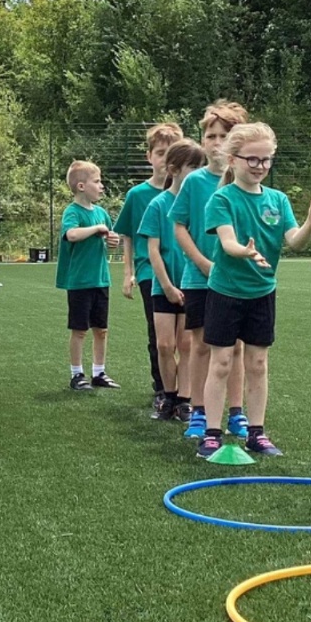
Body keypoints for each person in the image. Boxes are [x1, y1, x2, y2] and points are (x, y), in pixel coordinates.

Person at [196, 123, 311, 460]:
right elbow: (227, 243)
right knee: (221, 362)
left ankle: (256, 433)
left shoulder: (278, 200)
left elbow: (295, 242)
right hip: (226, 291)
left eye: (266, 159)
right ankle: (211, 434)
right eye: (252, 159)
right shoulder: (222, 199)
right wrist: (245, 251)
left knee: (257, 362)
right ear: (233, 159)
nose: (260, 166)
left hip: (262, 292)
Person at [172, 101, 251, 440]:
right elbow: (179, 227)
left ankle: (236, 412)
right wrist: (202, 263)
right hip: (199, 279)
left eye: (224, 135)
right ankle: (199, 412)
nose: (217, 142)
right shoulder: (194, 182)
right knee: (201, 345)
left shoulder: (246, 182)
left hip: (236, 281)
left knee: (236, 347)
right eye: (211, 136)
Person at [116, 123, 183, 415]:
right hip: (149, 271)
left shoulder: (187, 191)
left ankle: (185, 392)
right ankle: (162, 389)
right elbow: (128, 234)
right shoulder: (138, 195)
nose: (165, 159)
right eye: (160, 153)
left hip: (183, 270)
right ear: (149, 157)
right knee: (159, 335)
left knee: (187, 338)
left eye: (171, 153)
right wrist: (128, 272)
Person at [140, 140, 206, 422]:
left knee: (188, 345)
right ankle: (168, 396)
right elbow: (153, 250)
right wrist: (166, 285)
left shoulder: (201, 204)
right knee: (165, 345)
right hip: (163, 286)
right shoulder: (158, 204)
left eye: (201, 166)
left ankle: (184, 399)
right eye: (193, 166)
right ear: (174, 169)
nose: (198, 172)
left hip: (192, 283)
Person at [57, 160, 121, 391]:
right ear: (82, 186)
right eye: (97, 181)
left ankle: (99, 372)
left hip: (100, 280)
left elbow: (109, 241)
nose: (102, 186)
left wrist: (112, 241)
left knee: (101, 329)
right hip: (80, 282)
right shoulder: (72, 212)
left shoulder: (101, 213)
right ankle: (76, 374)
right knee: (79, 330)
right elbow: (71, 234)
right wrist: (96, 229)